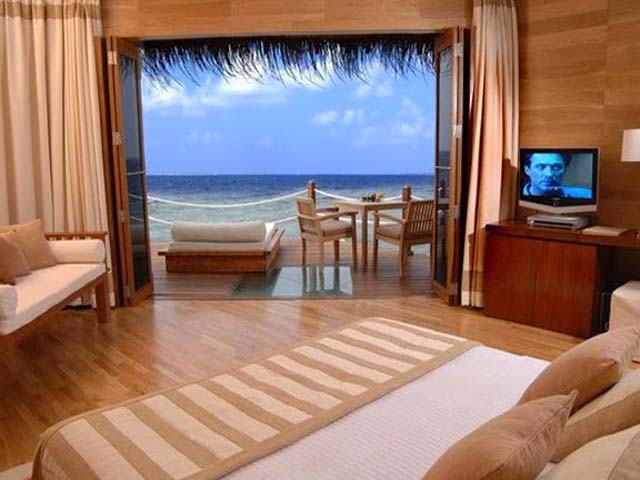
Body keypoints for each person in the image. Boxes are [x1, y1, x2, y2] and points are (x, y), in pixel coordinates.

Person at [522, 152, 591, 198]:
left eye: (556, 167)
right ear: (527, 170)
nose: (549, 174)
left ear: (565, 169)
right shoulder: (518, 200)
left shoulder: (586, 195)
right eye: (540, 167)